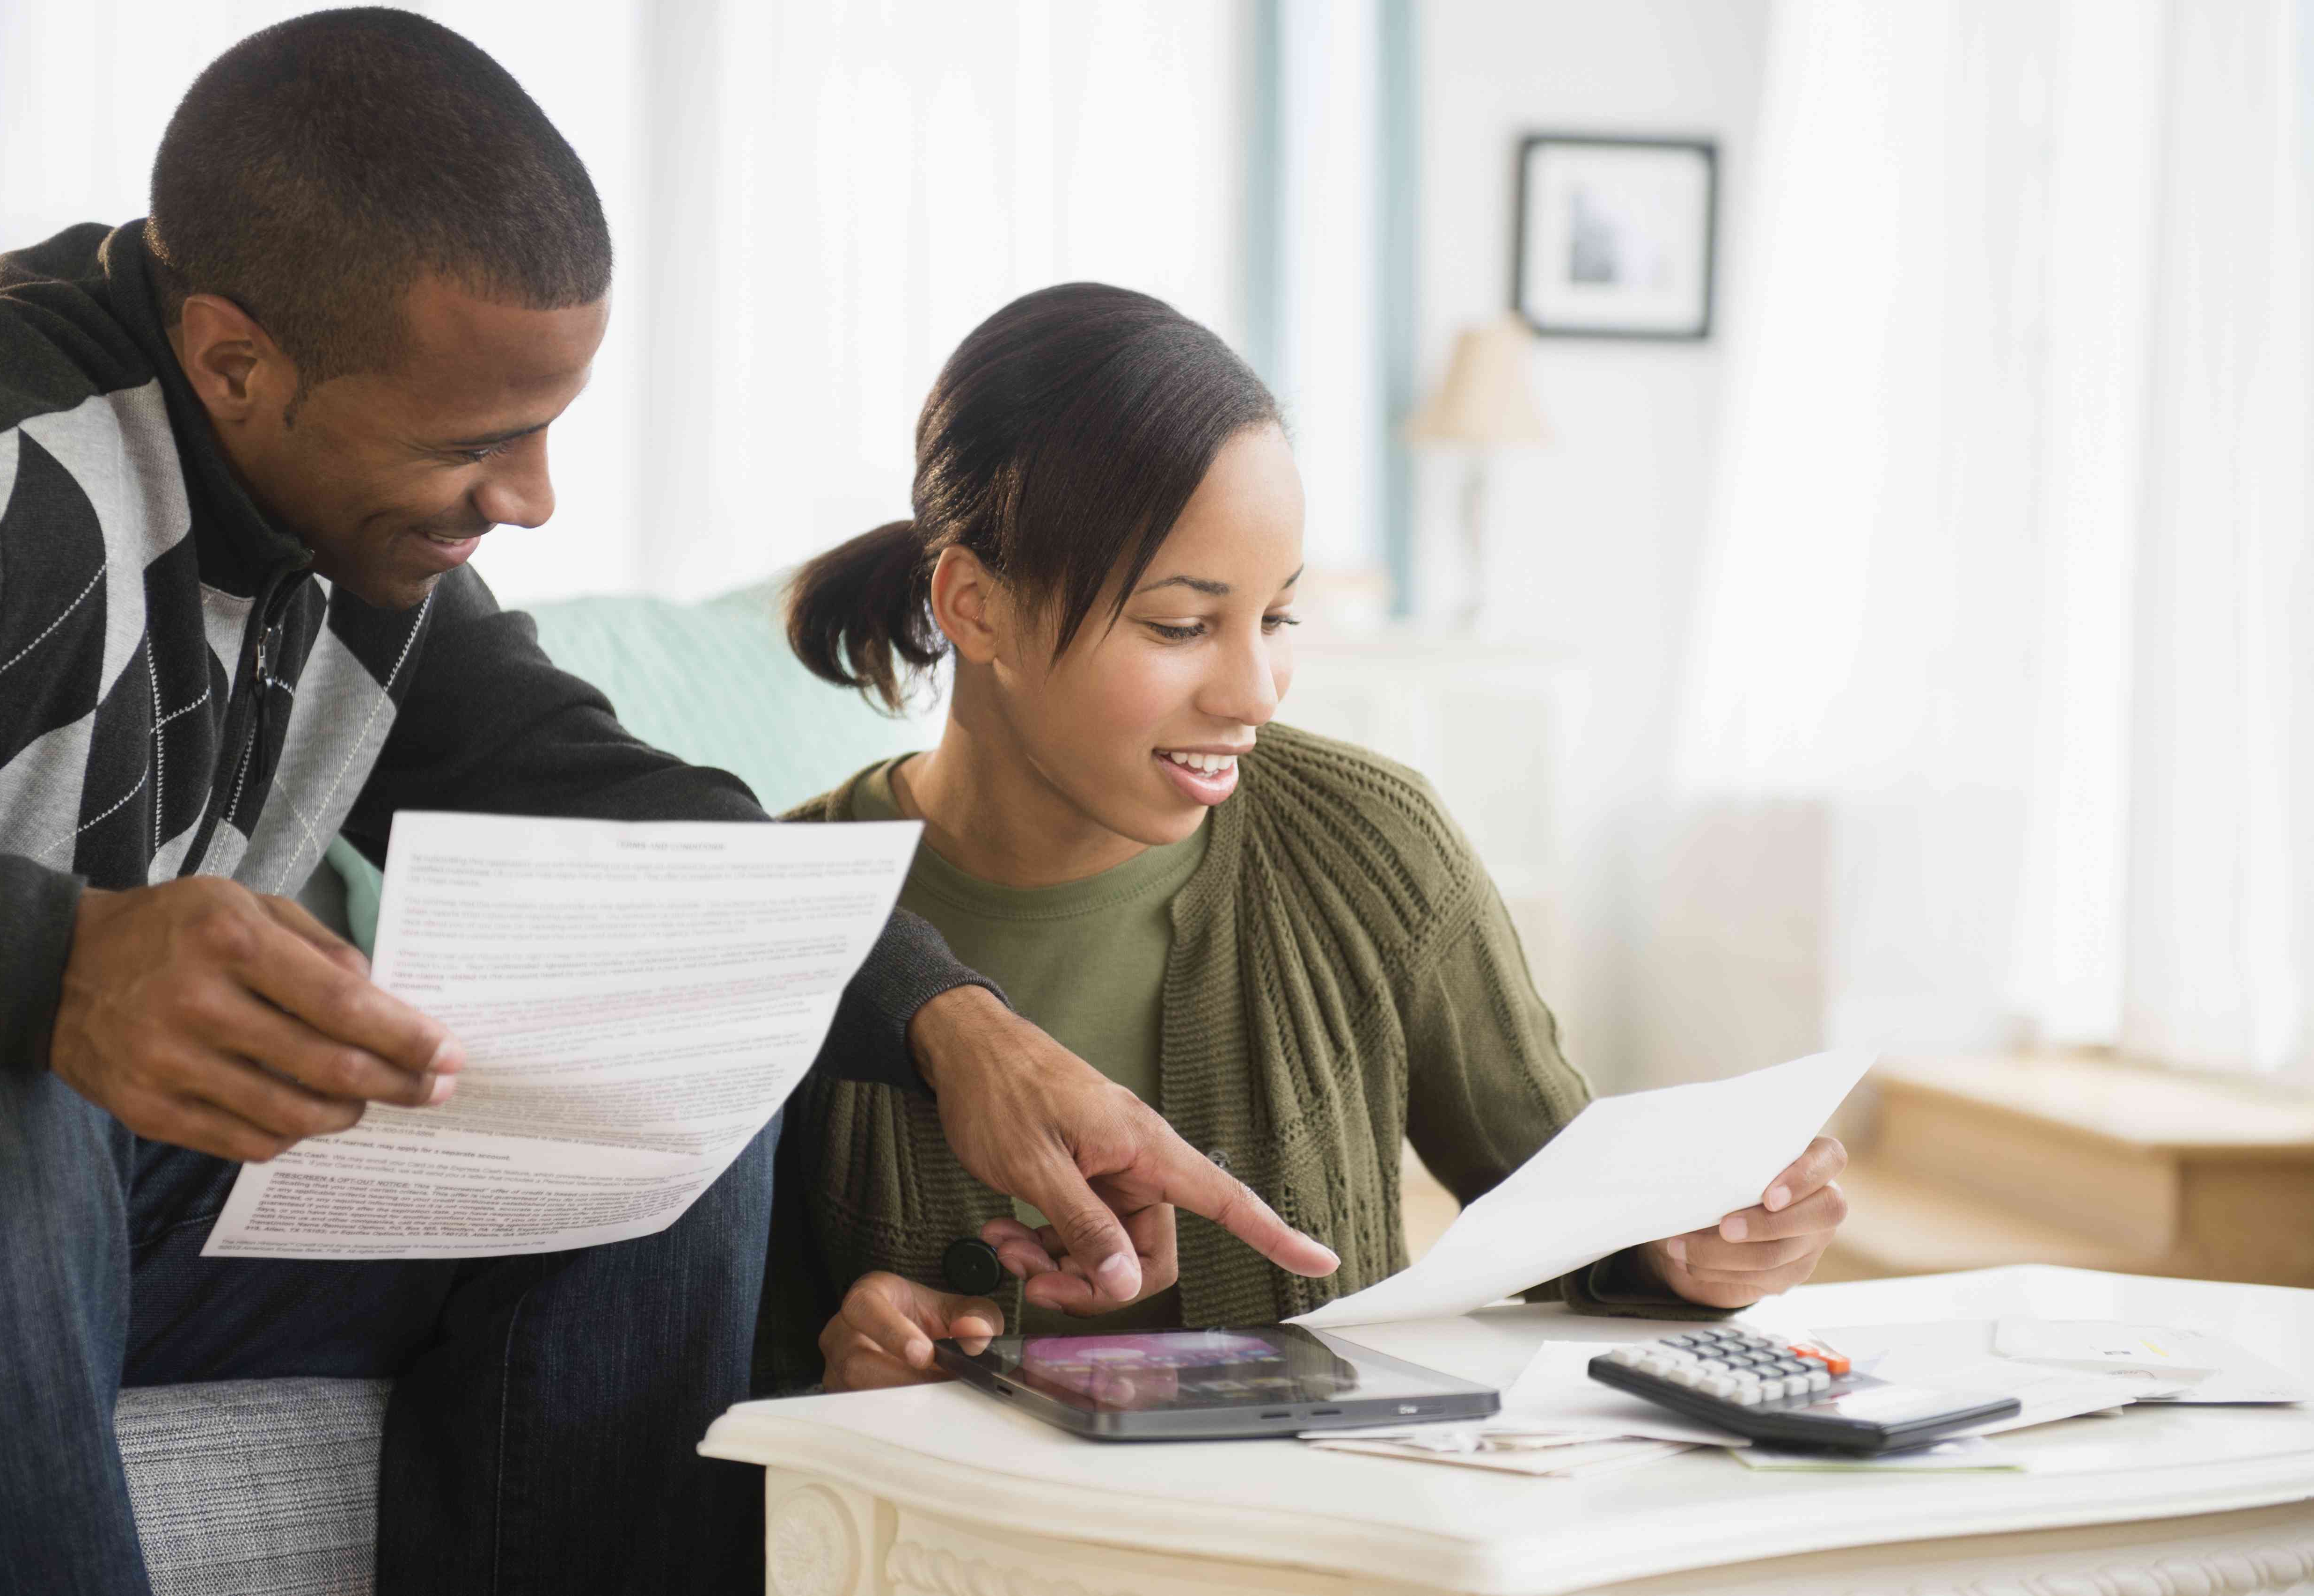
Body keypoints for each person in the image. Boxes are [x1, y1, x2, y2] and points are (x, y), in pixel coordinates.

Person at [0, 15, 1335, 1595]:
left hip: (114, 1214)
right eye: (476, 442)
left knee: (648, 1106)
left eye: (544, 429)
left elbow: (598, 793)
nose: (530, 500)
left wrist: (958, 1027)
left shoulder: (345, 536)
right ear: (233, 359)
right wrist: (57, 961)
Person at [762, 284, 1850, 1392]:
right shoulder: (777, 917)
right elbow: (698, 1375)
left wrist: (1680, 1247)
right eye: (1181, 625)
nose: (1255, 691)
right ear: (974, 605)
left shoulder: (1370, 843)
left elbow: (1565, 1206)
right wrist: (837, 1366)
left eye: (1276, 618)